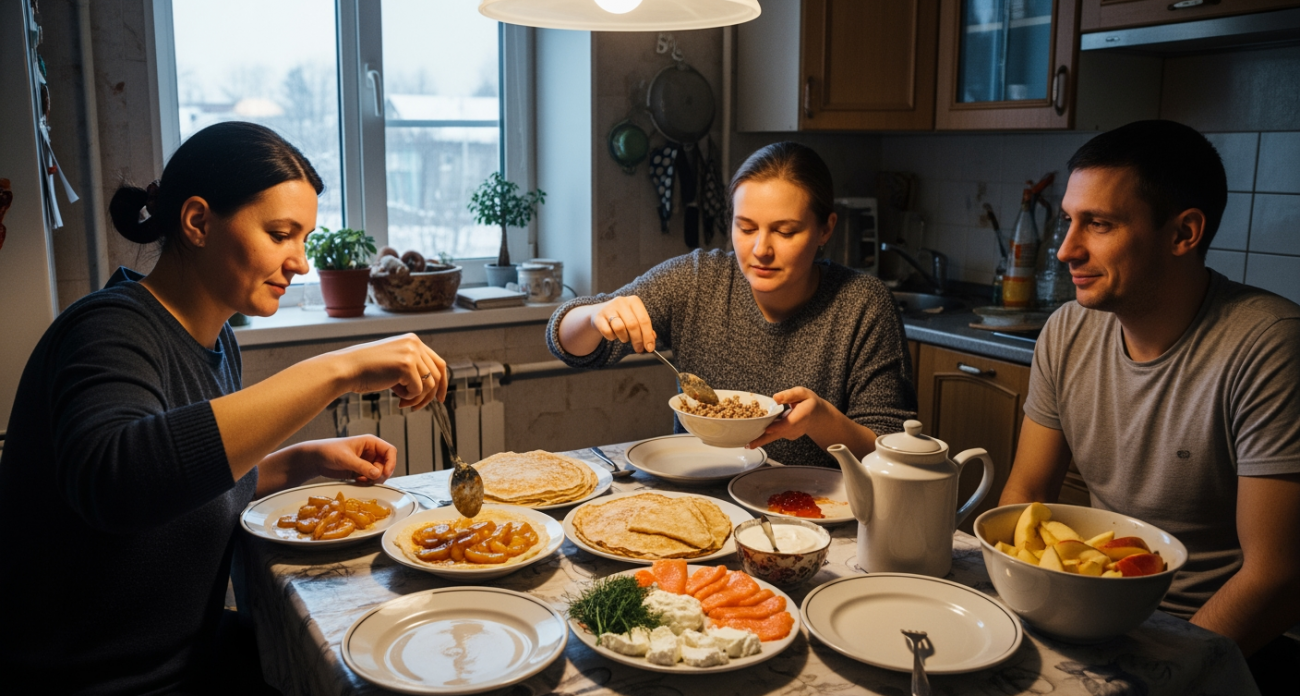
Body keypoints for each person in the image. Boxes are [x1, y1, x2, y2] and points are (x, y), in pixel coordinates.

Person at [0, 121, 448, 695]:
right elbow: (118, 480)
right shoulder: (106, 328)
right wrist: (339, 369)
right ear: (197, 222)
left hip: (191, 659)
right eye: (281, 234)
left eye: (305, 238)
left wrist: (301, 461)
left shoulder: (217, 341)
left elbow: (185, 478)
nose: (302, 263)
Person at [998, 120, 1300, 691]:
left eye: (1100, 224)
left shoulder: (1269, 345)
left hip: (1218, 643)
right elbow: (1025, 498)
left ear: (1183, 233)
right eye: (1069, 220)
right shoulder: (1067, 330)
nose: (1066, 249)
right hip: (1086, 618)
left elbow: (1278, 578)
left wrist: (1157, 677)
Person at [547, 142, 916, 467]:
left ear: (825, 229)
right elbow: (567, 343)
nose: (761, 250)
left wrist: (822, 421)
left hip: (814, 518)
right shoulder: (697, 280)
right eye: (747, 228)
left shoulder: (862, 304)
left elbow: (890, 452)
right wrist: (595, 316)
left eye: (785, 231)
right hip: (701, 499)